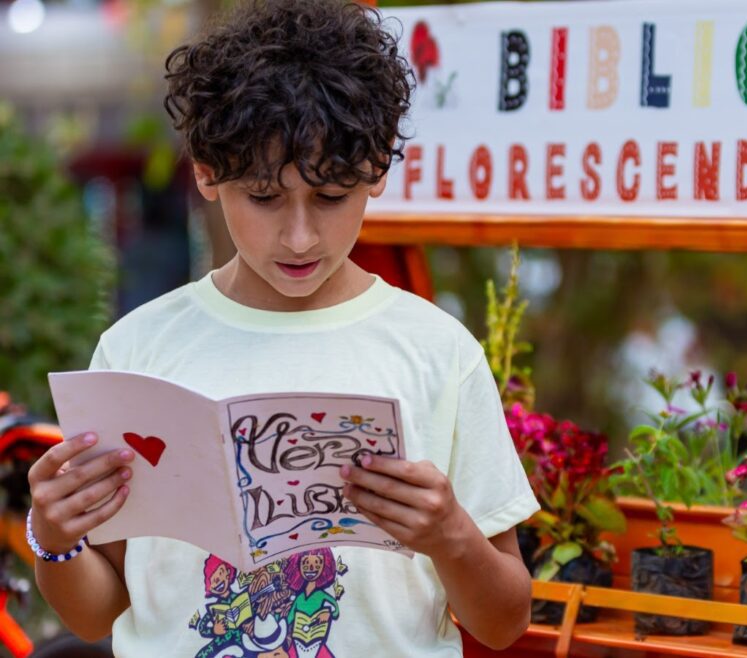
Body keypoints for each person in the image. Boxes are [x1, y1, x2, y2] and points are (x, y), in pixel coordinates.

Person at [25, 1, 538, 655]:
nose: (300, 237)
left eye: (331, 197)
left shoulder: (438, 352)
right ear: (207, 172)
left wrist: (450, 535)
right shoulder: (137, 348)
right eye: (264, 198)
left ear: (377, 168)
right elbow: (96, 616)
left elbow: (503, 622)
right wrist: (56, 536)